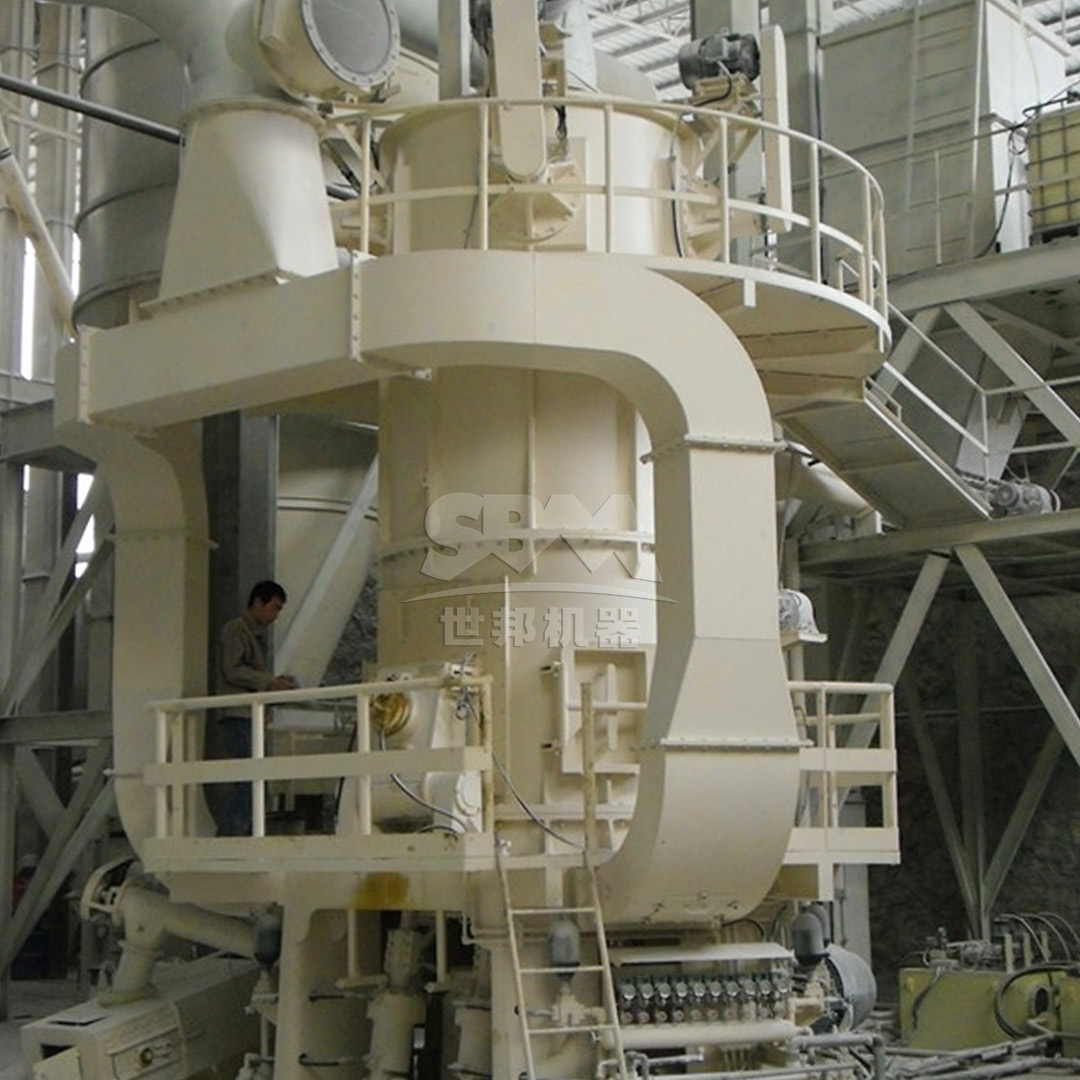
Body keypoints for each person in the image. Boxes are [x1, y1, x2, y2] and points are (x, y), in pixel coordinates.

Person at [211, 580, 298, 835]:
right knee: (251, 778)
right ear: (257, 603)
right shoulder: (235, 630)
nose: (276, 615)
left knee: (253, 777)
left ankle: (238, 834)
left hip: (248, 715)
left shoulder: (254, 636)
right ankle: (229, 837)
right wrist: (271, 681)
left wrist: (275, 681)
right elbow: (232, 669)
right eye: (275, 607)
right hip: (237, 715)